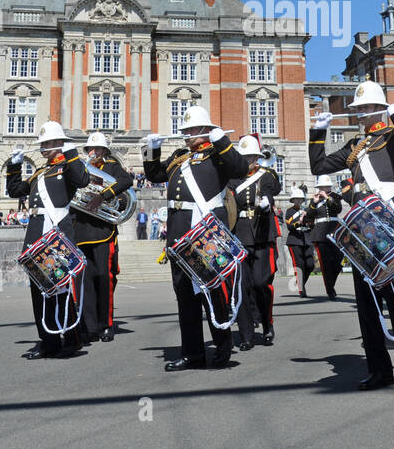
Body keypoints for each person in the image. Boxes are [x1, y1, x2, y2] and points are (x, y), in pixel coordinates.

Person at [311, 80, 394, 389]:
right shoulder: (355, 146)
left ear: (379, 108)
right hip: (363, 226)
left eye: (366, 108)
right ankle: (380, 369)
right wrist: (317, 132)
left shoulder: (393, 137)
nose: (361, 113)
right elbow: (318, 166)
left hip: (389, 217)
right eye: (358, 109)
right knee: (366, 300)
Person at [143, 106, 247, 371]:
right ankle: (192, 354)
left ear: (206, 130)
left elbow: (241, 169)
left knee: (214, 294)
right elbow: (154, 175)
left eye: (192, 130)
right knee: (185, 299)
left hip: (206, 234)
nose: (187, 135)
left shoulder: (217, 155)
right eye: (185, 131)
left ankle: (223, 348)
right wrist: (151, 151)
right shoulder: (180, 157)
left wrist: (222, 141)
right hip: (180, 235)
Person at [5, 121, 91, 360]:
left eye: (49, 144)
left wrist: (69, 152)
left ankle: (71, 339)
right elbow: (15, 191)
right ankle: (48, 341)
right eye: (43, 144)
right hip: (36, 233)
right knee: (39, 290)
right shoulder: (40, 173)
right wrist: (14, 165)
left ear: (59, 144)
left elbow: (82, 180)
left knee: (61, 288)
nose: (44, 148)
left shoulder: (68, 168)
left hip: (56, 232)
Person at [72, 131, 134, 343]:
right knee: (84, 281)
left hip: (102, 231)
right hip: (80, 230)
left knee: (104, 278)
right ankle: (88, 325)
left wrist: (104, 195)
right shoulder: (80, 170)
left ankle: (105, 324)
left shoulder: (112, 168)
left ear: (105, 151)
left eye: (97, 149)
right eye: (90, 149)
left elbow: (127, 181)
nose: (93, 152)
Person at [228, 136, 283, 349]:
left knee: (261, 283)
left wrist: (267, 201)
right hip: (240, 234)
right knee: (241, 286)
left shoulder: (266, 175)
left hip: (262, 233)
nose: (248, 160)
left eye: (251, 157)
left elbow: (272, 188)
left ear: (258, 157)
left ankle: (268, 323)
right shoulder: (232, 179)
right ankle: (246, 334)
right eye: (244, 157)